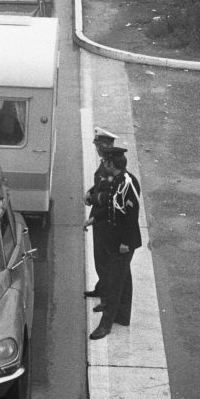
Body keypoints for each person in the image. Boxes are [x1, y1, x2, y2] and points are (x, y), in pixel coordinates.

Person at [87, 146, 142, 340]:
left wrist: (126, 242)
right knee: (123, 279)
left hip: (123, 243)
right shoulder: (117, 181)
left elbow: (131, 215)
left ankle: (106, 324)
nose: (103, 165)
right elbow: (111, 206)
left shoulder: (127, 182)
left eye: (105, 162)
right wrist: (94, 219)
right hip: (115, 240)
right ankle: (122, 316)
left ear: (111, 164)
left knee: (115, 283)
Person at [83, 127, 118, 300]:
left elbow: (108, 196)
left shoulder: (110, 166)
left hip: (104, 219)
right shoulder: (105, 162)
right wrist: (90, 192)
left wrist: (93, 199)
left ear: (107, 145)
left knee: (103, 259)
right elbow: (100, 186)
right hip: (99, 216)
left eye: (100, 146)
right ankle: (102, 287)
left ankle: (106, 295)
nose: (97, 150)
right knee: (100, 258)